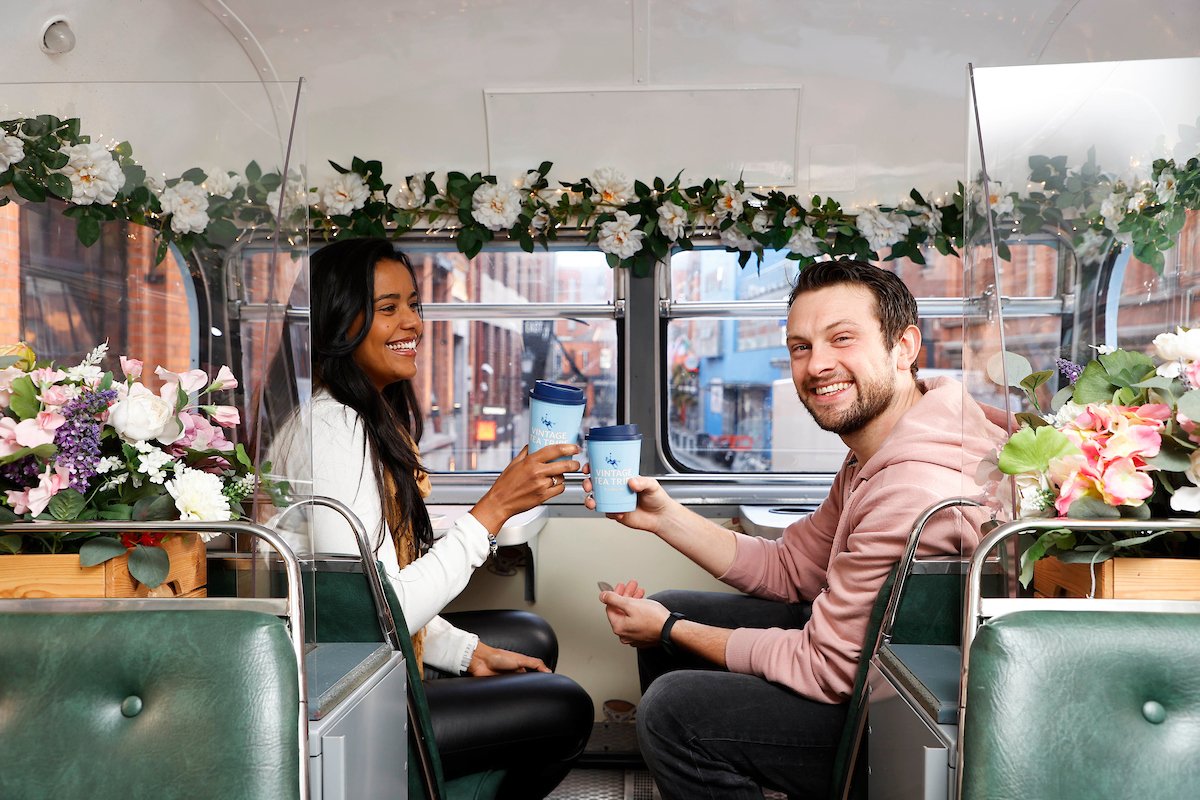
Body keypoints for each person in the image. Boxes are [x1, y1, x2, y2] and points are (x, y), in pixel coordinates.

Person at [587, 259, 1007, 799]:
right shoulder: (881, 449)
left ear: (904, 347)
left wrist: (669, 630)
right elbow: (792, 568)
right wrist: (664, 517)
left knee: (673, 712)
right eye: (801, 347)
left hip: (890, 719)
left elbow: (825, 668)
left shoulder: (910, 487)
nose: (816, 366)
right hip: (867, 674)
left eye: (843, 339)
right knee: (676, 614)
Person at [273, 237, 593, 800]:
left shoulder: (361, 419)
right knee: (566, 707)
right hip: (352, 695)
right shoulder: (332, 429)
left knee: (531, 636)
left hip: (369, 661)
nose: (414, 324)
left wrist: (468, 654)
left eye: (414, 304)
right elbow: (378, 616)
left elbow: (378, 590)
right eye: (388, 307)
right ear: (334, 323)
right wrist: (491, 512)